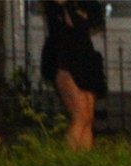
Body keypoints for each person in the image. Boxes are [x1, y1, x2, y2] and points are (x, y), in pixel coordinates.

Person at [41, 0, 107, 151]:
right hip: (64, 57)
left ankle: (83, 163)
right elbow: (73, 21)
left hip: (84, 54)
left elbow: (95, 19)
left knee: (88, 117)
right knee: (80, 115)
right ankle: (67, 163)